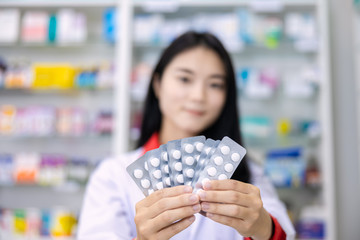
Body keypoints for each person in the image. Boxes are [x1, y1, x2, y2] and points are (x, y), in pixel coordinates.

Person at [77, 31, 295, 240]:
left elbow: (285, 234)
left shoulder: (249, 175)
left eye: (215, 84)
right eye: (184, 79)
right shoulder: (112, 176)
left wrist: (263, 228)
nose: (198, 96)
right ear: (157, 84)